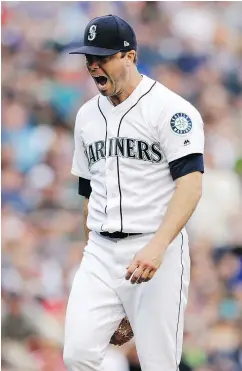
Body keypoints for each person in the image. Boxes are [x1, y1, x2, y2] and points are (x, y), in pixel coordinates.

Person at [64, 14, 204, 371]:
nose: (93, 65)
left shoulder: (170, 109)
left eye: (104, 57)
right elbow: (87, 194)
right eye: (89, 59)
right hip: (100, 250)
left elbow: (190, 185)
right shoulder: (86, 117)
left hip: (157, 247)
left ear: (130, 56)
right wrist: (90, 252)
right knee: (77, 354)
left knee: (159, 364)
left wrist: (157, 248)